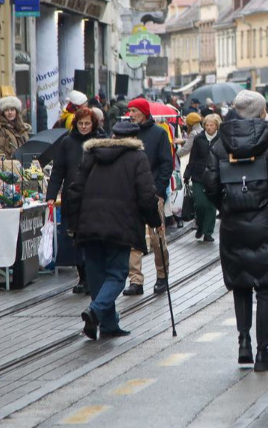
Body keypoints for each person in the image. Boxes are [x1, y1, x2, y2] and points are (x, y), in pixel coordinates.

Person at [202, 90, 268, 372]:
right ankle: (262, 353)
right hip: (267, 220)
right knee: (267, 287)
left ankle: (243, 342)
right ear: (261, 111)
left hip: (234, 223)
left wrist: (227, 205)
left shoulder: (221, 144)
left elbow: (210, 185)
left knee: (241, 282)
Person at [65, 120, 163, 340]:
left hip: (89, 225)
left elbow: (74, 191)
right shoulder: (137, 157)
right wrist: (154, 220)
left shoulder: (92, 155)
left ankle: (107, 324)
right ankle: (96, 311)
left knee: (97, 274)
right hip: (120, 225)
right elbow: (147, 195)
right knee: (118, 274)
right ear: (136, 139)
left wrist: (73, 224)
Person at [46, 107, 105, 293]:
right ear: (75, 123)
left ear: (94, 123)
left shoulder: (101, 142)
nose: (84, 127)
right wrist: (51, 195)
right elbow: (58, 170)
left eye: (87, 123)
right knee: (75, 239)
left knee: (93, 238)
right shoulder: (67, 142)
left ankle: (92, 276)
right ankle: (83, 277)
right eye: (81, 123)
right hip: (73, 197)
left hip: (96, 196)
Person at [124, 98, 175, 295]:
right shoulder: (127, 133)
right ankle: (135, 280)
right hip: (132, 194)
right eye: (130, 111)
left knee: (157, 238)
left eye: (135, 111)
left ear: (144, 112)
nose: (131, 114)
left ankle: (162, 275)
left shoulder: (160, 133)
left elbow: (166, 163)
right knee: (133, 239)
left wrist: (159, 191)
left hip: (153, 194)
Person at [186, 114, 222, 242]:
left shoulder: (221, 139)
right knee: (200, 204)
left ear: (216, 126)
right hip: (198, 175)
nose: (209, 127)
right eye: (207, 125)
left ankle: (208, 232)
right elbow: (193, 157)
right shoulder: (199, 138)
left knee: (211, 205)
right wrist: (187, 173)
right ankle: (200, 225)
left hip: (214, 176)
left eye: (211, 125)